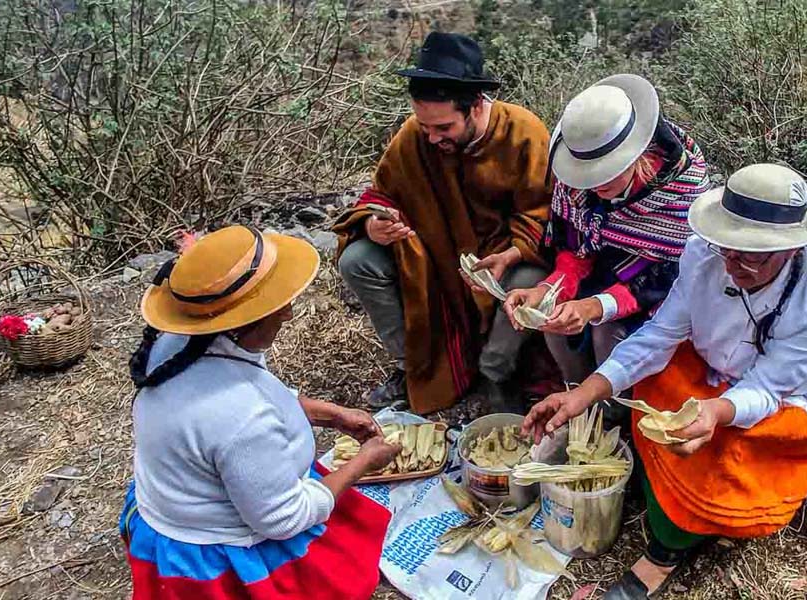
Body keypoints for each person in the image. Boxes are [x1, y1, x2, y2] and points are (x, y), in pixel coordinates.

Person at [522, 164, 807, 599]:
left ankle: (668, 549)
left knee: (727, 452)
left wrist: (716, 412)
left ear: (792, 249)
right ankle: (666, 500)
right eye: (727, 248)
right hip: (720, 368)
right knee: (651, 391)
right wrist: (584, 395)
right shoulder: (704, 255)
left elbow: (767, 387)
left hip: (793, 392)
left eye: (751, 255)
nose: (733, 264)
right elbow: (660, 335)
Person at [120, 225, 401, 600]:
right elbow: (283, 519)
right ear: (241, 322)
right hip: (212, 548)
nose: (287, 312)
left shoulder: (181, 342)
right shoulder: (239, 416)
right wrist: (364, 461)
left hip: (173, 496)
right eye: (276, 305)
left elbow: (262, 396)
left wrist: (331, 415)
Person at [333, 32, 552, 414]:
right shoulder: (414, 135)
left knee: (528, 279)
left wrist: (512, 254)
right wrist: (373, 226)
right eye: (425, 127)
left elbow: (545, 214)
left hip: (502, 263)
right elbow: (381, 196)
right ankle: (412, 367)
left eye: (444, 128)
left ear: (477, 106)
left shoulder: (523, 133)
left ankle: (495, 374)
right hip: (435, 260)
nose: (432, 138)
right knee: (358, 259)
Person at [503, 75, 710, 420]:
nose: (594, 187)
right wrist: (548, 289)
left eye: (606, 175)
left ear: (638, 155)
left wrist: (596, 307)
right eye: (587, 177)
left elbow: (671, 274)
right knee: (552, 322)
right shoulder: (574, 185)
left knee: (607, 335)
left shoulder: (682, 191)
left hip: (654, 290)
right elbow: (575, 248)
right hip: (602, 270)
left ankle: (614, 419)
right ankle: (575, 404)